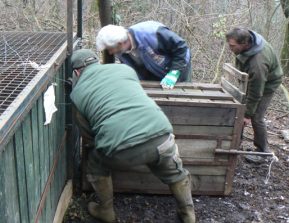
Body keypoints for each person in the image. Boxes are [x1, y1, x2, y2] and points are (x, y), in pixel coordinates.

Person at [70, 49, 195, 223]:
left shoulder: (76, 94)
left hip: (119, 150)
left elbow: (89, 138)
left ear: (76, 72)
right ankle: (188, 215)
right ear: (98, 62)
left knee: (95, 165)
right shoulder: (126, 70)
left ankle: (106, 211)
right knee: (175, 172)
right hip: (161, 135)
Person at [225, 27, 283, 154]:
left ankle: (263, 151)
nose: (229, 48)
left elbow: (256, 92)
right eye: (229, 44)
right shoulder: (249, 39)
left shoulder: (258, 64)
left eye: (232, 45)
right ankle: (235, 143)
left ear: (244, 44)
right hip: (251, 79)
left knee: (256, 117)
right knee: (239, 107)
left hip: (267, 83)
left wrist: (246, 115)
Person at [96, 21, 192, 89]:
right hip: (153, 78)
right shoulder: (121, 51)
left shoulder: (152, 33)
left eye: (110, 49)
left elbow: (181, 47)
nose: (110, 53)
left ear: (120, 43)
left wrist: (174, 73)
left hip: (178, 71)